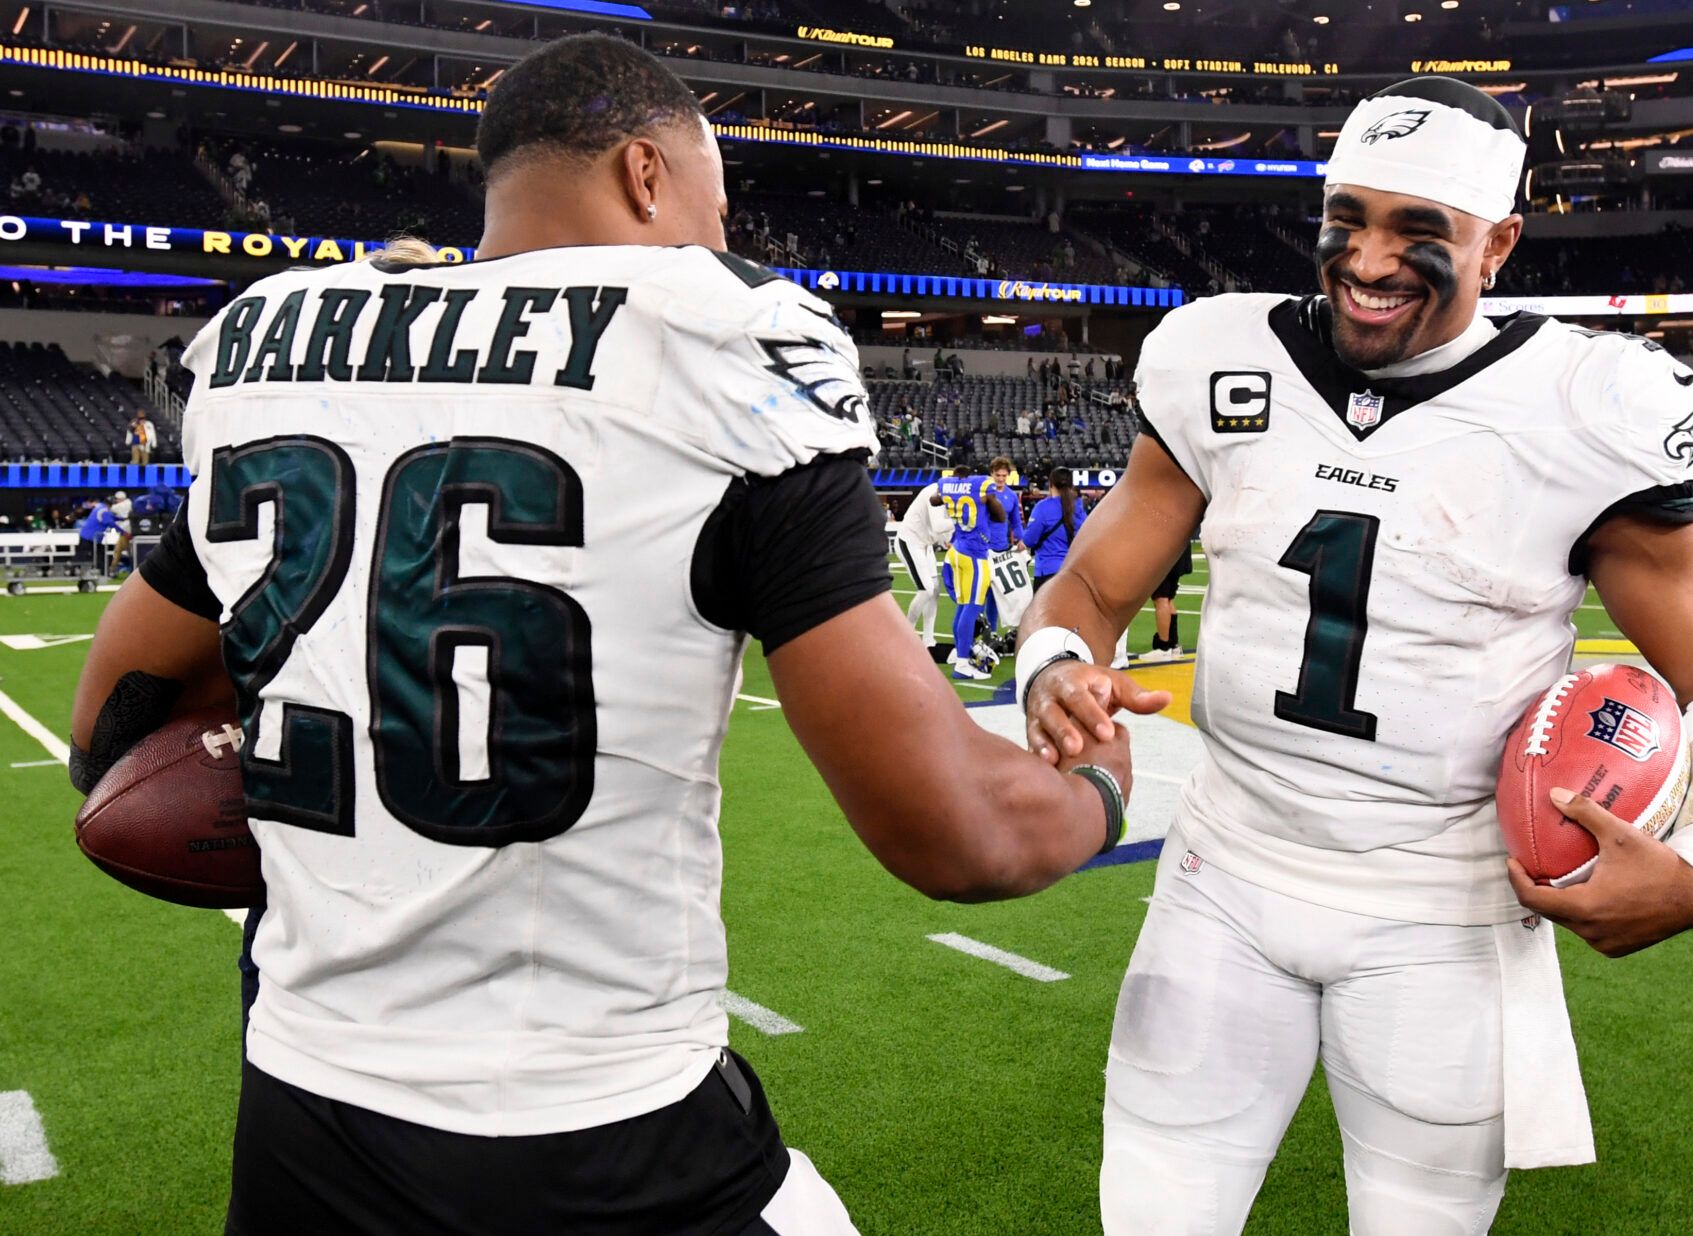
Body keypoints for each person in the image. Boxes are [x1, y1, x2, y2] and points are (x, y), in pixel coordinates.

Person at [68, 36, 1140, 1235]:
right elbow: (962, 837)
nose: (719, 240)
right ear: (646, 174)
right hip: (599, 1128)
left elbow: (113, 714)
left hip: (302, 1108)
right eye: (713, 205)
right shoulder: (716, 337)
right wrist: (1101, 785)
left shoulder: (272, 335)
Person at [1017, 75, 1693, 1235]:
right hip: (1221, 874)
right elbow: (1086, 587)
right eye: (1350, 218)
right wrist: (1057, 665)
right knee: (1151, 1214)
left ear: (1501, 244)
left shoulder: (1585, 405)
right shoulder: (1218, 356)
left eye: (1418, 230)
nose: (1369, 258)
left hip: (1442, 906)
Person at [936, 452, 1006, 682]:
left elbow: (934, 499)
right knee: (973, 607)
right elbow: (1000, 517)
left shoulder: (946, 484)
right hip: (975, 553)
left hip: (956, 549)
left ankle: (960, 654)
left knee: (963, 605)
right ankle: (963, 664)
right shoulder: (980, 485)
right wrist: (989, 499)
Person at [895, 478, 953, 650]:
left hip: (925, 545)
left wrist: (949, 540)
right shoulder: (932, 493)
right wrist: (961, 520)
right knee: (926, 589)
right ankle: (906, 634)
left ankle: (928, 639)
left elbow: (944, 535)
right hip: (910, 541)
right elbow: (938, 526)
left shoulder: (951, 497)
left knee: (934, 590)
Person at [982, 456, 1032, 644]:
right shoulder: (983, 493)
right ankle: (979, 632)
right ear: (991, 474)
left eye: (1004, 475)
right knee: (981, 593)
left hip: (1002, 550)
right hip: (983, 550)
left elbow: (1016, 522)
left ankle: (992, 633)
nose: (1001, 478)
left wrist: (1022, 539)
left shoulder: (1011, 496)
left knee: (997, 594)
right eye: (998, 475)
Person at [1022, 468, 1085, 593]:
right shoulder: (1078, 507)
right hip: (1073, 571)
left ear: (1050, 484)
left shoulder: (1043, 507)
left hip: (1048, 571)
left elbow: (1029, 540)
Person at [1135, 538, 1192, 664]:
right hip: (1180, 548)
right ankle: (1173, 645)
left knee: (1161, 598)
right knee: (1169, 597)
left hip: (1165, 550)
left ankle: (1164, 647)